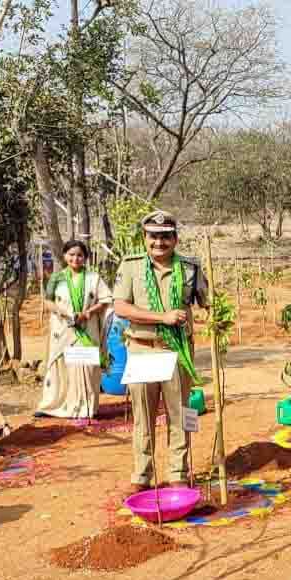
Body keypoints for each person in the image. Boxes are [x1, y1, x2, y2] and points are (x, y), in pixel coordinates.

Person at [112, 210, 209, 493]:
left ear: (175, 239)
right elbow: (121, 307)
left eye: (166, 236)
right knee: (144, 417)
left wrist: (216, 319)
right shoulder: (130, 267)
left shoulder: (190, 268)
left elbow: (208, 302)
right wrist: (162, 317)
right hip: (143, 351)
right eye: (154, 237)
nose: (159, 242)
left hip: (177, 352)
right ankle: (142, 475)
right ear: (144, 239)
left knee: (181, 414)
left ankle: (179, 471)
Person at [36, 240, 113, 419]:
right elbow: (47, 301)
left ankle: (85, 408)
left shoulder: (94, 278)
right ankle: (53, 405)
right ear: (64, 256)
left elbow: (106, 300)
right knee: (60, 366)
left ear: (85, 258)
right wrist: (64, 313)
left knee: (86, 368)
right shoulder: (56, 278)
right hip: (63, 329)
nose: (75, 258)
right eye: (71, 254)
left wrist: (88, 313)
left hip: (86, 329)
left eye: (79, 255)